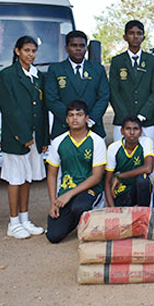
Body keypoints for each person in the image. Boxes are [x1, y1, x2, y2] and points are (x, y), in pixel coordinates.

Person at [0, 36, 50, 239]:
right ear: (17, 51)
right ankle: (13, 223)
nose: (30, 54)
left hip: (35, 137)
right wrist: (24, 136)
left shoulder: (38, 76)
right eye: (26, 50)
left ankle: (25, 219)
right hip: (16, 137)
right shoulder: (7, 75)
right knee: (15, 179)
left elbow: (42, 109)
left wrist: (43, 139)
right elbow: (9, 109)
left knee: (27, 177)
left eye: (33, 51)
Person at [45, 100, 107, 243]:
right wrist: (53, 202)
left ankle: (89, 216)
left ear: (86, 118)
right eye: (71, 115)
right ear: (66, 119)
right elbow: (52, 175)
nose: (75, 118)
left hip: (90, 190)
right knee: (54, 236)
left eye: (79, 115)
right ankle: (75, 219)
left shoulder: (96, 141)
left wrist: (69, 194)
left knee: (80, 206)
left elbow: (97, 177)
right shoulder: (58, 141)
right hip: (66, 190)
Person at [45, 30, 110, 139]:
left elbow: (104, 97)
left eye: (82, 46)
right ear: (66, 48)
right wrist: (72, 120)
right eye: (74, 45)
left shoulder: (98, 69)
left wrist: (89, 120)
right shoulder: (55, 69)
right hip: (63, 129)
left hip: (93, 128)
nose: (78, 49)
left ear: (86, 48)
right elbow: (51, 99)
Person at [109, 20, 154, 145]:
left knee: (146, 153)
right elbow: (114, 91)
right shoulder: (117, 61)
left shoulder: (152, 61)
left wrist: (142, 115)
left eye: (139, 33)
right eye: (131, 33)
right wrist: (126, 118)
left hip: (146, 120)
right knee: (121, 153)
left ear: (144, 37)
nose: (135, 36)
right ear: (125, 37)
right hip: (122, 120)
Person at [104, 116, 154, 207]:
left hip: (138, 189)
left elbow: (148, 168)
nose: (132, 133)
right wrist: (111, 209)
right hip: (121, 190)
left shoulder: (145, 142)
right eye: (128, 129)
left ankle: (143, 212)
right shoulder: (113, 148)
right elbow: (107, 182)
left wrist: (120, 176)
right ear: (122, 131)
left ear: (141, 131)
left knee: (143, 180)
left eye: (135, 129)